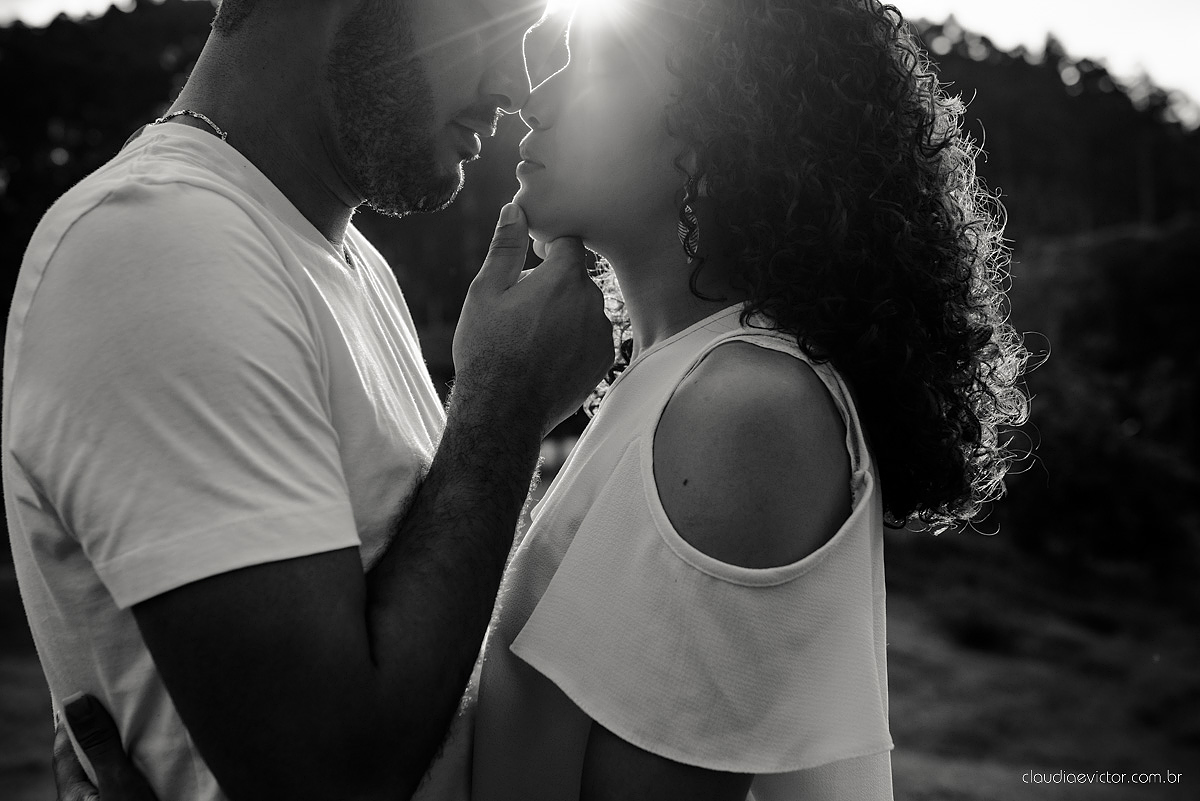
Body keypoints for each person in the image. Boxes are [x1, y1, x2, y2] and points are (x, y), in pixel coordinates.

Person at [54, 0, 1031, 799]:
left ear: (717, 129)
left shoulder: (745, 409)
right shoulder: (666, 392)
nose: (533, 96)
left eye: (592, 66)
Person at [4, 1, 613, 801]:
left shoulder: (347, 262)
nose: (515, 84)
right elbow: (329, 778)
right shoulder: (157, 241)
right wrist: (505, 405)